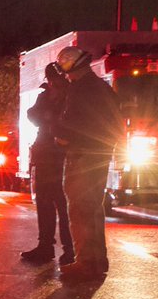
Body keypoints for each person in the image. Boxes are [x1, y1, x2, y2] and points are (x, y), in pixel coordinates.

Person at [53, 45, 124, 280]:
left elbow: (71, 124)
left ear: (70, 66)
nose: (66, 75)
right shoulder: (102, 88)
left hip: (82, 155)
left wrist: (59, 133)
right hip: (100, 154)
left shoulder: (81, 90)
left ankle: (85, 262)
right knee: (93, 207)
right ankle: (97, 260)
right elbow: (114, 123)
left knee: (80, 208)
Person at [20, 61, 74, 266]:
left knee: (64, 204)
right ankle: (45, 247)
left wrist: (50, 120)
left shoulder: (72, 95)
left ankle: (70, 249)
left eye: (55, 79)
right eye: (50, 80)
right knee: (44, 202)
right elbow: (31, 114)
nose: (52, 83)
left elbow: (72, 122)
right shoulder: (45, 96)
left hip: (62, 155)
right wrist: (48, 118)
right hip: (45, 154)